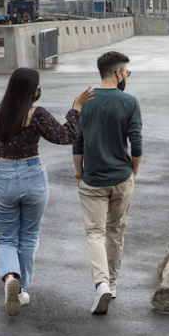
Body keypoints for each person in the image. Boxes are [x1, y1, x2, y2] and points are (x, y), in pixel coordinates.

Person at [0, 68, 94, 317]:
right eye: (37, 86)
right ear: (31, 90)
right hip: (32, 175)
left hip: (3, 174)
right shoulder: (37, 114)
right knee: (28, 237)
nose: (39, 89)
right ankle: (21, 289)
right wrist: (76, 108)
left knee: (6, 238)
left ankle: (9, 279)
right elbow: (66, 135)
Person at [72, 51, 143, 315]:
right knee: (115, 233)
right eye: (127, 72)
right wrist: (132, 174)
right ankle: (112, 284)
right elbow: (136, 143)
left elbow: (77, 143)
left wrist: (79, 175)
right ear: (118, 73)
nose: (127, 76)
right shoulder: (129, 102)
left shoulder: (84, 102)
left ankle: (100, 283)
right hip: (121, 177)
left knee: (95, 234)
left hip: (92, 179)